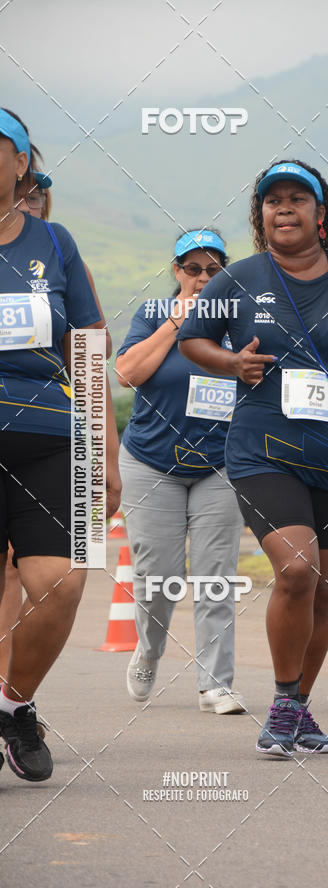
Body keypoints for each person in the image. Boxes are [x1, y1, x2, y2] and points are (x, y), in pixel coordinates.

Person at [179, 160, 328, 756]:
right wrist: (232, 363)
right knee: (297, 570)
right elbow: (192, 338)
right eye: (272, 200)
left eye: (297, 198)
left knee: (324, 590)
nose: (284, 208)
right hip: (262, 450)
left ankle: (299, 709)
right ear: (262, 215)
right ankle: (280, 702)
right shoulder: (239, 279)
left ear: (320, 214)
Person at [0, 109, 121, 782]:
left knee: (64, 580)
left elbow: (89, 350)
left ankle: (12, 706)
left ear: (22, 163)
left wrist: (105, 450)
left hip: (52, 437)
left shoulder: (54, 241)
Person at [116, 229, 246, 714]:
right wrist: (178, 322)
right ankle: (149, 651)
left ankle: (216, 684)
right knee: (158, 577)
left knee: (217, 576)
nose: (203, 277)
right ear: (177, 271)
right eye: (193, 269)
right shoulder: (154, 313)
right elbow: (126, 373)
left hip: (220, 465)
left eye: (214, 269)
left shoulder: (238, 319)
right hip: (151, 462)